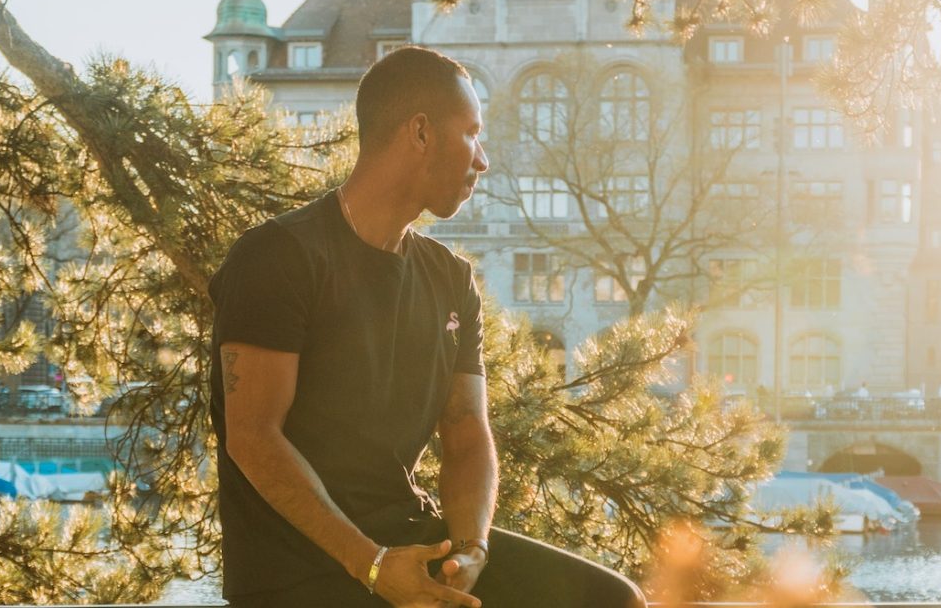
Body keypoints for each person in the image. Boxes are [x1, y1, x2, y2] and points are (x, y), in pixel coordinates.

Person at [209, 47, 646, 608]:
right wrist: (371, 566)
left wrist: (471, 550)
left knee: (611, 601)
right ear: (420, 133)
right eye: (471, 133)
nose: (482, 159)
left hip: (413, 546)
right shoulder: (278, 256)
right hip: (298, 575)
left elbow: (466, 434)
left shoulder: (451, 279)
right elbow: (253, 435)